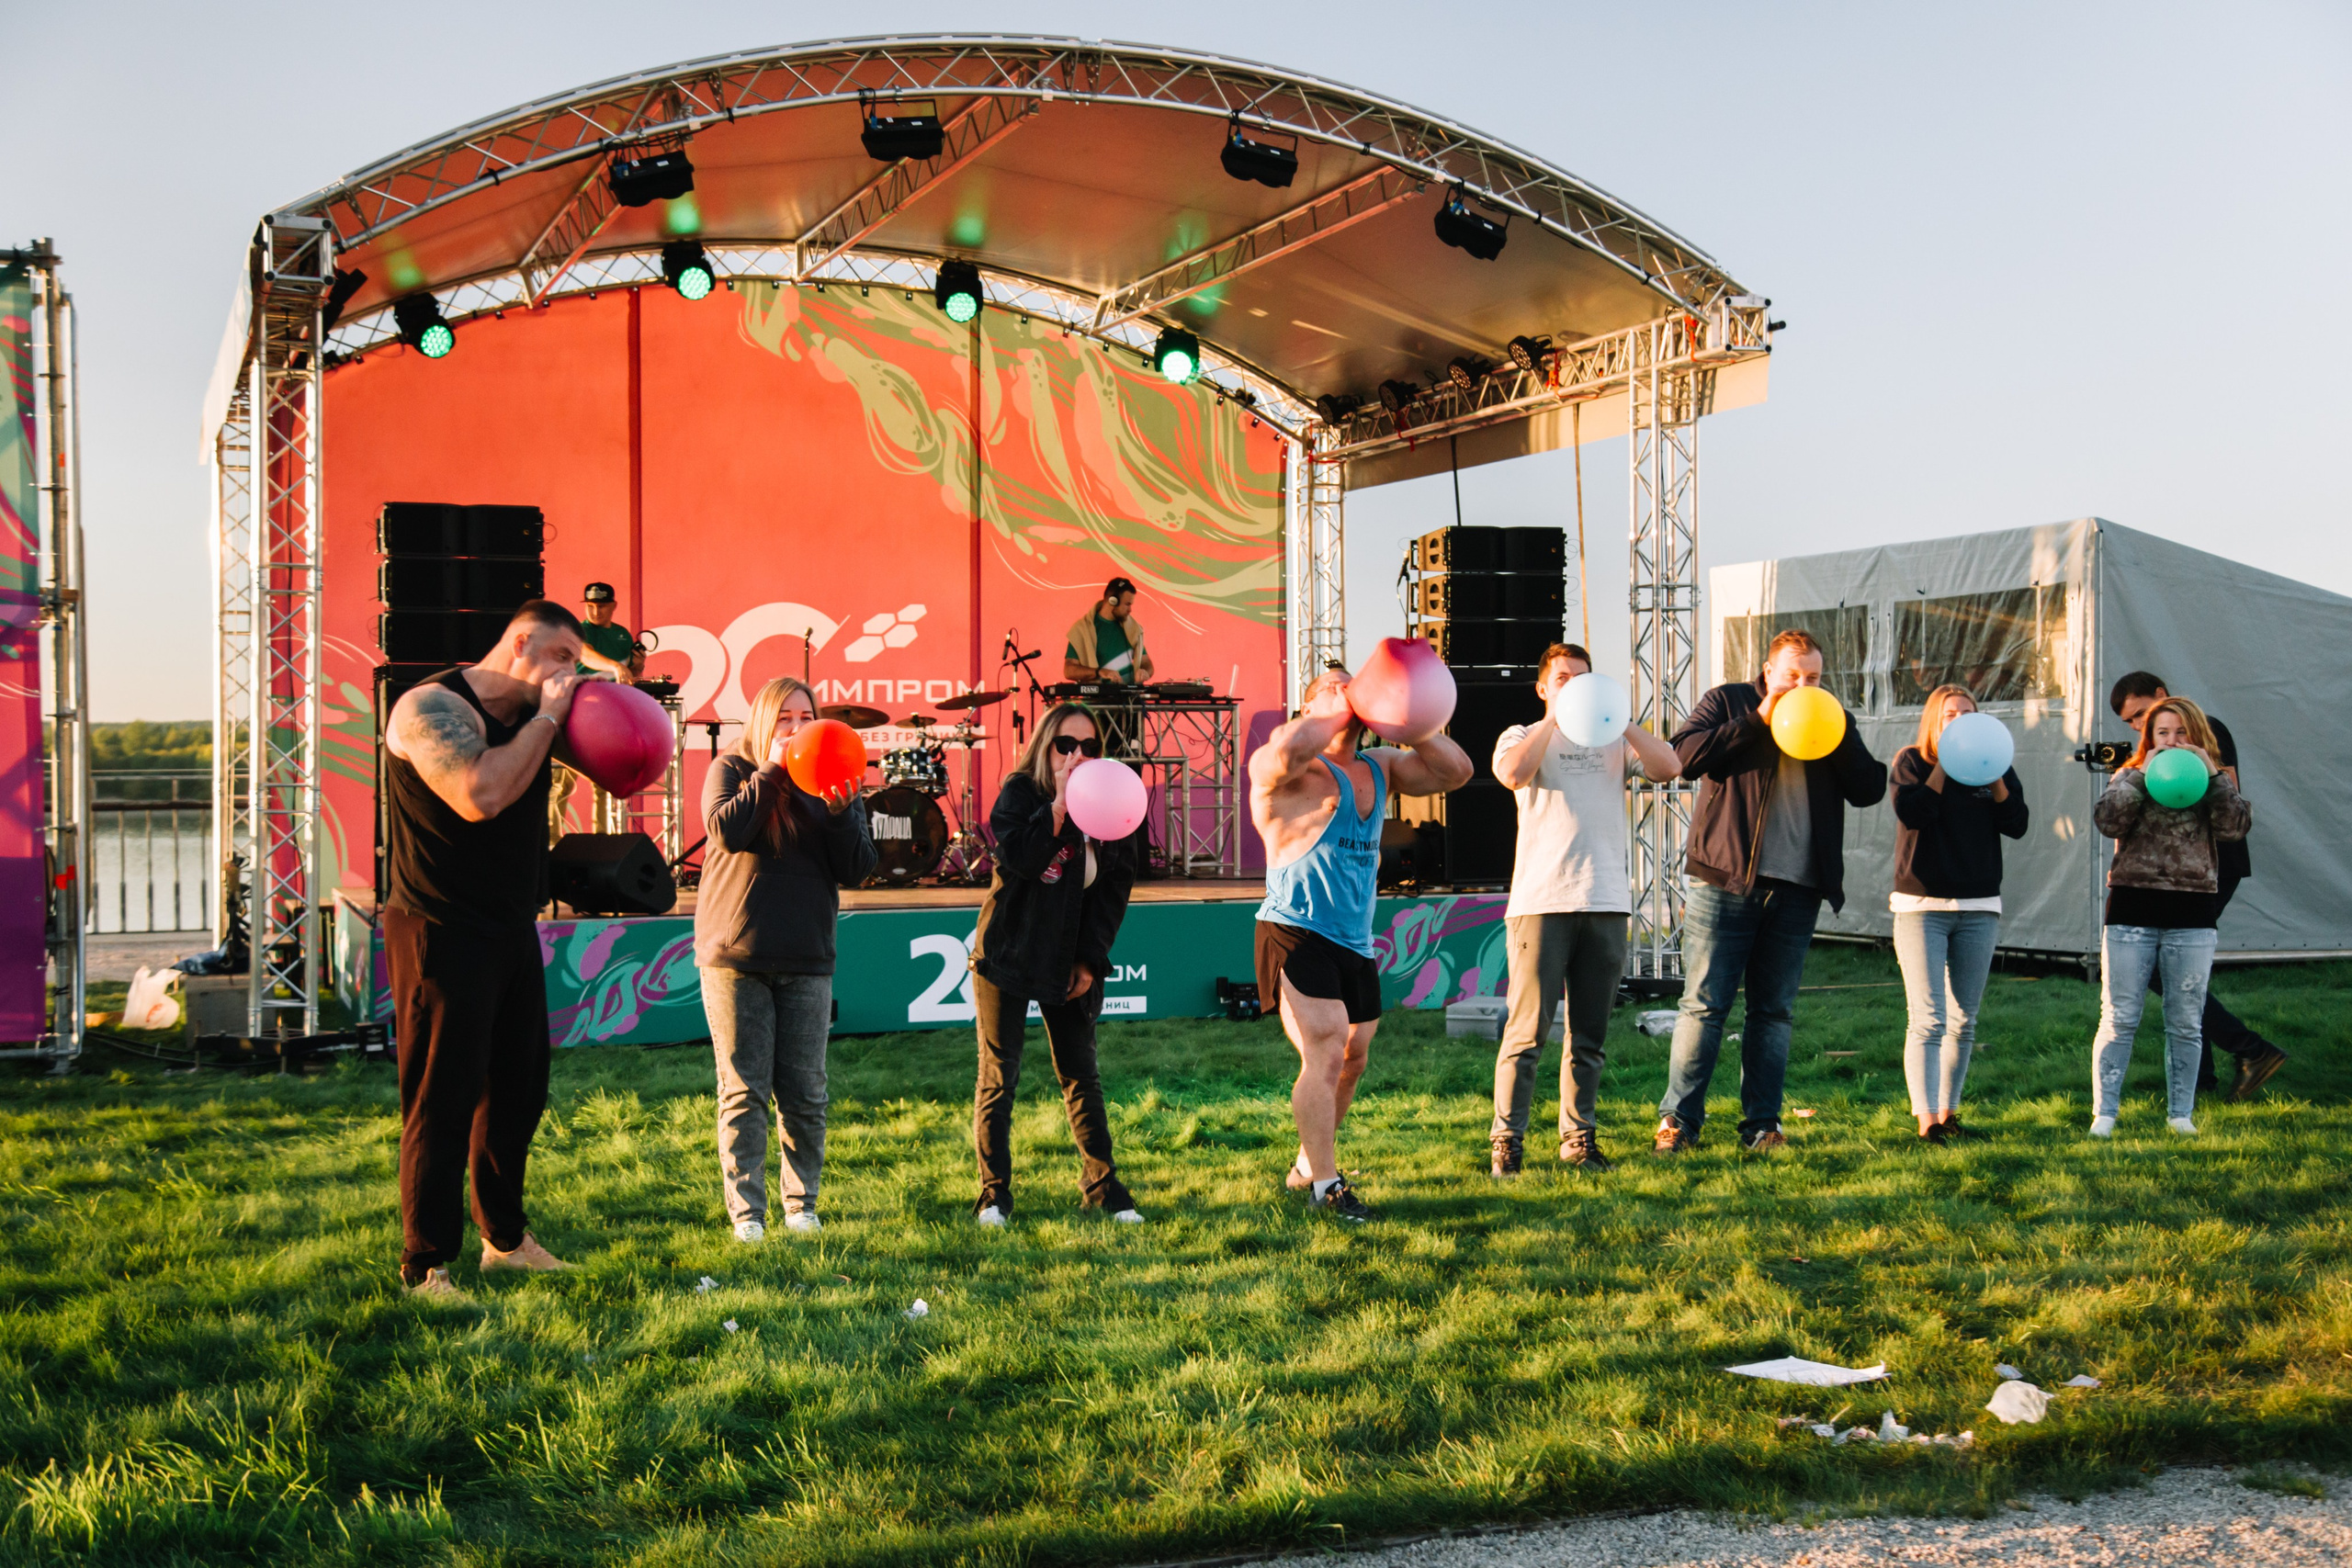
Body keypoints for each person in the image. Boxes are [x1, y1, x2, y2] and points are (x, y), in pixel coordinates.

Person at [380, 600, 601, 1303]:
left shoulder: (537, 719)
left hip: (509, 926)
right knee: (441, 1096)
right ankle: (425, 1264)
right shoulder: (431, 707)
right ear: (521, 642)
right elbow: (480, 793)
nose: (568, 674)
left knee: (516, 1093)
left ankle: (504, 1241)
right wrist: (550, 719)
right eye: (561, 656)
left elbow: (621, 760)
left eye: (575, 663)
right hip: (439, 926)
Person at [1251, 666, 1473, 1220]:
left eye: (1353, 684)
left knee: (1353, 1056)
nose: (1347, 691)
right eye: (1333, 686)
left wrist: (1409, 721)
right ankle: (1327, 1188)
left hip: (1355, 939)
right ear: (1308, 707)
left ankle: (1307, 1165)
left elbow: (1457, 772)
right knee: (1326, 1049)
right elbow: (1283, 754)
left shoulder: (1383, 764)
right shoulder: (1290, 761)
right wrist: (1336, 710)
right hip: (1295, 927)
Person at [1658, 629, 1888, 1154]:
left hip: (1798, 888)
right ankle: (1678, 1122)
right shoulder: (1729, 701)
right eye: (1792, 675)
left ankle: (1762, 1126)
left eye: (1814, 677)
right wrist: (1758, 719)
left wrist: (1839, 736)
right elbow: (1684, 756)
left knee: (1773, 1012)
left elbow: (1869, 788)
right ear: (1768, 672)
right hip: (1725, 881)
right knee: (1704, 1006)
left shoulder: (1832, 716)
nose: (1803, 685)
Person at [1487, 644, 1681, 1176]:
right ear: (1543, 688)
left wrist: (1622, 719)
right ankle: (1507, 1141)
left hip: (1605, 900)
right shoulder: (1521, 734)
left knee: (1589, 1035)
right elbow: (1512, 775)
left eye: (1583, 678)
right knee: (1527, 1032)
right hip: (1541, 902)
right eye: (1563, 678)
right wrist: (1556, 718)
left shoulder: (1614, 738)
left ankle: (1578, 1139)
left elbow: (1669, 767)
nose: (1574, 686)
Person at [695, 676, 876, 1241]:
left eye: (806, 717)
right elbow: (726, 832)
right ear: (763, 722)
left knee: (805, 1094)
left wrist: (842, 813)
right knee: (744, 1091)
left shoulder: (834, 779)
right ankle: (747, 1216)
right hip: (738, 956)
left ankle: (802, 1208)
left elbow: (858, 868)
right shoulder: (733, 768)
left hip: (807, 955)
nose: (797, 728)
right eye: (785, 717)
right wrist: (773, 770)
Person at [967, 703, 1144, 1226]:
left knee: (1080, 1073)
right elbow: (1021, 859)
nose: (1077, 756)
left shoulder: (1112, 798)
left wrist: (1089, 960)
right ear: (1045, 747)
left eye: (1089, 747)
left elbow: (1113, 891)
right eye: (1065, 745)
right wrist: (1061, 807)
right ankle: (994, 1194)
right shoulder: (1021, 793)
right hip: (1009, 949)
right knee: (999, 1075)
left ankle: (1102, 1186)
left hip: (1069, 955)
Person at [2109, 671, 2285, 1100]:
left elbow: (2230, 800)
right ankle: (2202, 1078)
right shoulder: (2152, 750)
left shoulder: (2205, 731)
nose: (2139, 726)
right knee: (2176, 969)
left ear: (2160, 695)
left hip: (2212, 864)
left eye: (2140, 714)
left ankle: (2250, 1049)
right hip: (2165, 871)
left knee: (2168, 968)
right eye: (2133, 723)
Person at [2087, 696, 2252, 1137]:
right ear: (2150, 738)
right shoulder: (2130, 775)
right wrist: (2140, 776)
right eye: (2163, 733)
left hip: (2192, 912)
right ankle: (2104, 1116)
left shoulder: (2212, 780)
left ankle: (2181, 1115)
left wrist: (2213, 775)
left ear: (2197, 736)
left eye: (2181, 733)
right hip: (2131, 910)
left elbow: (2235, 828)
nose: (2172, 741)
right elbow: (2108, 822)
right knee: (2119, 1017)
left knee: (2185, 1021)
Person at [1889, 685, 2028, 1145]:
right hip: (1922, 906)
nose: (1960, 720)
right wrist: (1945, 767)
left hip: (1979, 905)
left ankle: (1949, 1115)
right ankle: (1926, 1121)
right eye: (1951, 714)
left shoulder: (1994, 766)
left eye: (1968, 713)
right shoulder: (1912, 761)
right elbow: (1913, 813)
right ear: (1935, 720)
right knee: (1928, 1018)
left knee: (1964, 1019)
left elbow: (2017, 824)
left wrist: (1996, 778)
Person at [1064, 576, 1154, 687]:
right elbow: (1069, 670)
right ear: (1113, 601)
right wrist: (1099, 672)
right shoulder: (1083, 629)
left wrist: (1145, 672)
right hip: (1099, 697)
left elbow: (1146, 662)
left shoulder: (1133, 628)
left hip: (1130, 696)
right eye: (1127, 604)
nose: (1130, 610)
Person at [576, 581, 641, 680]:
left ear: (614, 606)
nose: (596, 612)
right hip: (586, 689)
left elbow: (629, 675)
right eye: (590, 606)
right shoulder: (579, 629)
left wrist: (638, 666)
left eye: (601, 606)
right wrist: (616, 666)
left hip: (615, 689)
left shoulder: (623, 633)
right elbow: (586, 656)